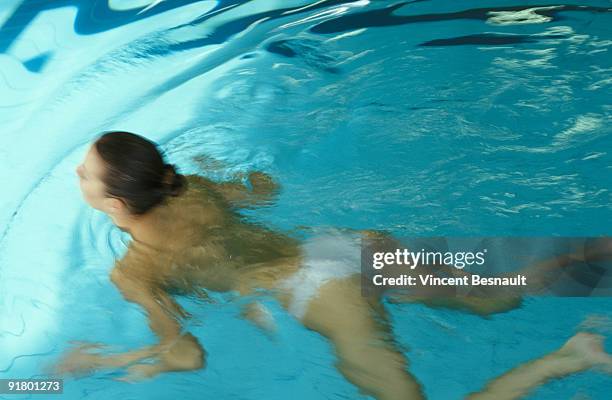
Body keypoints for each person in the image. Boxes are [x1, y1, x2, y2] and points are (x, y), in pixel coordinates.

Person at [53, 131, 612, 400]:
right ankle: (595, 255)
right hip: (344, 245)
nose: (76, 174)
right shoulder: (190, 187)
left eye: (82, 173)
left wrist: (108, 361)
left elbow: (187, 353)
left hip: (321, 289)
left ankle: (567, 358)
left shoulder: (134, 270)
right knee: (498, 295)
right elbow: (263, 194)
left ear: (116, 206)